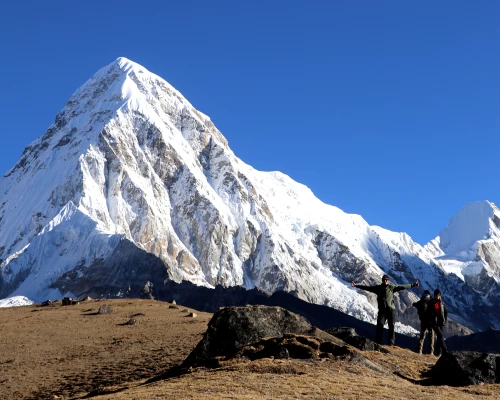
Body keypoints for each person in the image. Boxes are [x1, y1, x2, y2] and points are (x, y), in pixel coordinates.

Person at [352, 275, 419, 346]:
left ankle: (391, 344)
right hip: (382, 311)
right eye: (384, 279)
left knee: (391, 327)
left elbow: (402, 287)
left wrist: (413, 285)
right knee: (379, 326)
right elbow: (368, 288)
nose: (385, 281)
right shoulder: (378, 288)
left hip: (391, 311)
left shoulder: (391, 288)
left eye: (386, 279)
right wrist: (356, 285)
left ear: (388, 280)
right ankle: (378, 343)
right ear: (382, 280)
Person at [413, 290, 434, 354]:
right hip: (431, 321)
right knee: (431, 337)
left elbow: (415, 304)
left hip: (423, 321)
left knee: (422, 336)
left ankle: (419, 350)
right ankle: (431, 351)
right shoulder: (432, 302)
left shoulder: (421, 301)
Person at [428, 289, 448, 356]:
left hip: (441, 322)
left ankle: (438, 353)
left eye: (438, 295)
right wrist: (431, 320)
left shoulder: (442, 303)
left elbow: (445, 312)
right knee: (440, 336)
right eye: (436, 295)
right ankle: (445, 352)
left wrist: (445, 320)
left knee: (439, 338)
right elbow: (429, 312)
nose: (437, 296)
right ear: (434, 295)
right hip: (434, 323)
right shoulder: (431, 302)